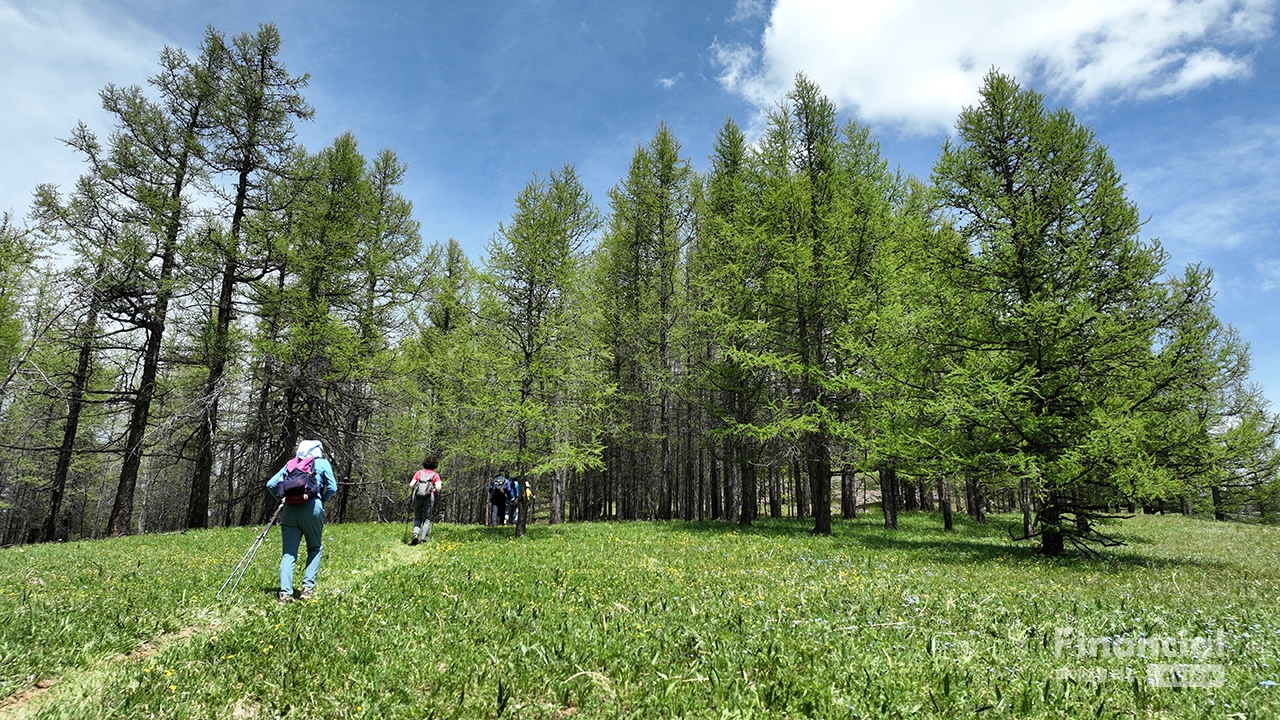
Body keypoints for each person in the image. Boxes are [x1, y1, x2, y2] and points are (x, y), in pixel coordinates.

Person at [266, 439, 338, 603]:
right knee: (314, 548)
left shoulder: (291, 465)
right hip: (312, 508)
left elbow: (271, 484)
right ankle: (307, 589)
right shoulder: (321, 463)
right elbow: (333, 488)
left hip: (290, 511)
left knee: (288, 554)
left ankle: (285, 593)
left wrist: (281, 499)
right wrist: (322, 499)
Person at [409, 455, 442, 544]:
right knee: (427, 519)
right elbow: (438, 487)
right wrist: (434, 489)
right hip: (429, 497)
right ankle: (423, 539)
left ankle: (415, 534)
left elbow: (411, 485)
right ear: (435, 465)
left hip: (417, 496)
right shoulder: (435, 475)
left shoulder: (418, 473)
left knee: (417, 517)